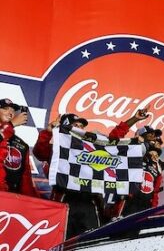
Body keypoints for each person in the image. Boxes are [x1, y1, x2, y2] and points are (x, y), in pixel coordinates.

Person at [33, 109, 149, 237]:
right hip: (65, 201)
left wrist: (134, 119)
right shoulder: (58, 151)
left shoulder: (91, 146)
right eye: (75, 125)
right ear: (65, 127)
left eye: (82, 126)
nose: (80, 128)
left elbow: (113, 141)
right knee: (60, 242)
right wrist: (48, 132)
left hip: (90, 202)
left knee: (89, 243)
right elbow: (40, 152)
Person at [0, 98, 38, 196]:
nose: (10, 112)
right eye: (5, 108)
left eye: (13, 110)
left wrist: (28, 201)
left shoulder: (22, 145)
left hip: (10, 198)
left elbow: (25, 180)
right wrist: (10, 125)